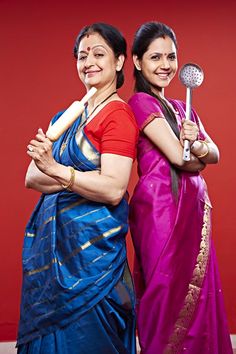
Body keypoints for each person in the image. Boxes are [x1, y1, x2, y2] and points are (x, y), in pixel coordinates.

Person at [17, 23, 138, 354]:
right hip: (53, 255)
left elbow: (113, 189)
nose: (89, 62)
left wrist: (57, 170)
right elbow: (32, 176)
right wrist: (75, 176)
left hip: (93, 260)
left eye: (99, 54)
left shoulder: (119, 117)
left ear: (118, 61)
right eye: (82, 56)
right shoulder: (66, 116)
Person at [128, 21, 233, 354]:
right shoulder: (141, 103)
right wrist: (197, 154)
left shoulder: (183, 108)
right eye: (155, 57)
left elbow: (214, 153)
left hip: (192, 211)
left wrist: (198, 147)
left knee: (199, 297)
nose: (165, 65)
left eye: (171, 57)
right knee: (165, 292)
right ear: (136, 61)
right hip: (160, 212)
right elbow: (177, 156)